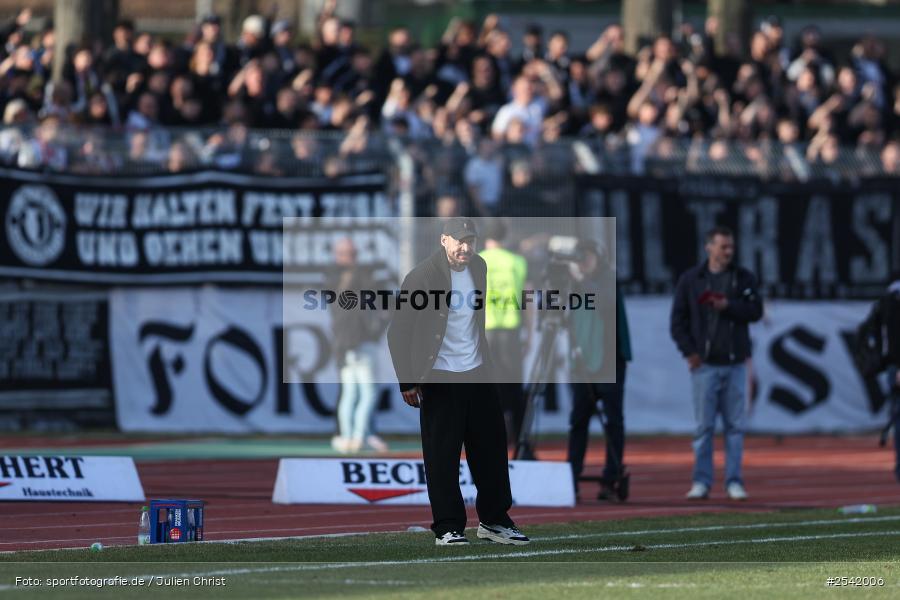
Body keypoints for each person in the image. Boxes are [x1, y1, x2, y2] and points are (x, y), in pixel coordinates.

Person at [387, 217, 529, 546]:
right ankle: (448, 526)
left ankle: (494, 520)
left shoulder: (479, 268)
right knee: (443, 455)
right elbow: (399, 332)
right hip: (439, 376)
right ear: (444, 240)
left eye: (471, 240)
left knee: (492, 450)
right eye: (459, 240)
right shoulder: (422, 276)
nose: (465, 247)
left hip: (478, 372)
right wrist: (407, 380)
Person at [670, 226, 763, 501]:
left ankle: (734, 481)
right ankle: (701, 480)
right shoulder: (691, 280)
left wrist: (729, 306)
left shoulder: (743, 277)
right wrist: (690, 353)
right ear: (708, 247)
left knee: (735, 426)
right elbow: (678, 322)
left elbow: (755, 311)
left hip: (735, 364)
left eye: (730, 247)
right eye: (723, 247)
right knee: (704, 428)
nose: (728, 252)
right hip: (705, 365)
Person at [567, 240, 632, 502]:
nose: (582, 262)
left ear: (598, 256)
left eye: (587, 256)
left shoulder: (607, 279)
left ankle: (611, 477)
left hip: (609, 360)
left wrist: (581, 280)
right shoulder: (574, 283)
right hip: (582, 362)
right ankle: (571, 477)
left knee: (613, 421)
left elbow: (604, 302)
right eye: (579, 257)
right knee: (578, 421)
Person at [329, 238, 388, 454]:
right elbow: (383, 307)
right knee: (368, 392)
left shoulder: (337, 294)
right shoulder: (360, 293)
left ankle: (347, 436)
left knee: (350, 392)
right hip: (360, 345)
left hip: (345, 347)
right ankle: (358, 436)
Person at [479, 219, 528, 448]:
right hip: (511, 329)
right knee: (514, 386)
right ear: (505, 236)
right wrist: (528, 331)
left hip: (485, 331)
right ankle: (519, 438)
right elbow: (527, 299)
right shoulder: (517, 262)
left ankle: (489, 436)